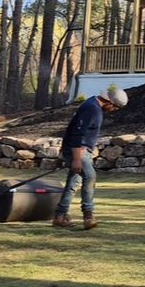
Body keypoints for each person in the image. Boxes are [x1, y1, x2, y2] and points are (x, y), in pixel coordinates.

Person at [54, 93, 112, 230]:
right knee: (90, 177)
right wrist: (76, 158)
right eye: (115, 108)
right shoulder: (92, 108)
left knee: (73, 182)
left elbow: (74, 129)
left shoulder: (91, 104)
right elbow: (77, 133)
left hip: (78, 150)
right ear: (110, 103)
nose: (113, 110)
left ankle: (60, 216)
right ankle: (88, 215)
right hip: (79, 150)